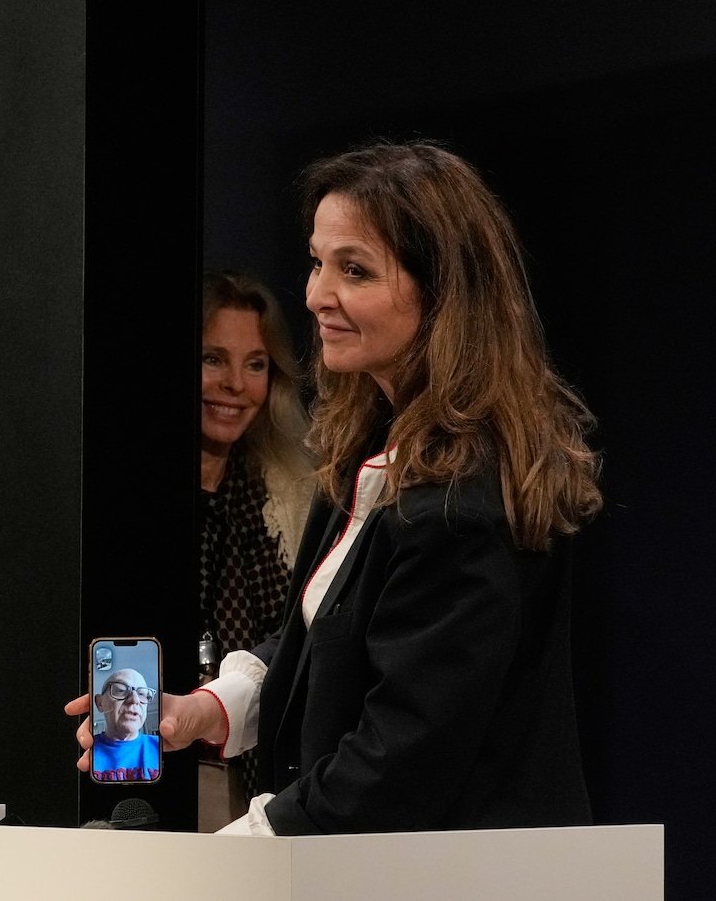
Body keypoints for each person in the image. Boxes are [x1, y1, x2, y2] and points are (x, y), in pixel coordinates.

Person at [68, 140, 602, 835]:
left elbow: (401, 757)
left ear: (444, 293)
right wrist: (206, 708)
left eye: (355, 269)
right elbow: (321, 640)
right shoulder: (369, 452)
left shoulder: (463, 497)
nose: (317, 295)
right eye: (318, 262)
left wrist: (230, 854)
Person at [198, 270, 316, 824]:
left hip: (264, 779)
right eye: (213, 359)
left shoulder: (296, 495)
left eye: (255, 365)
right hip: (155, 757)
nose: (234, 385)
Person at [91, 669, 162, 782]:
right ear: (100, 703)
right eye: (120, 690)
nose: (135, 700)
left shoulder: (165, 746)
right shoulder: (84, 751)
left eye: (142, 694)